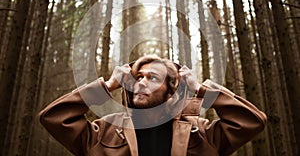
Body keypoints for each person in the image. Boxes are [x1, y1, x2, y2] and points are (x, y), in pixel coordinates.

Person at [39, 55, 267, 156]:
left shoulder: (201, 133)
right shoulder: (104, 131)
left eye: (153, 78)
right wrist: (107, 86)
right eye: (138, 77)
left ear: (170, 91)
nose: (142, 83)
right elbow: (53, 117)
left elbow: (252, 121)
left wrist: (201, 90)